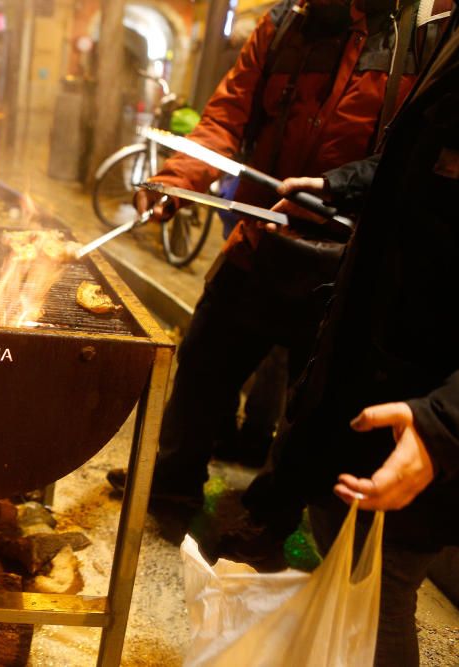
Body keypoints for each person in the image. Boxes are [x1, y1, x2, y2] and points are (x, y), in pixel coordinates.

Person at [105, 0, 453, 511]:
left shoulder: (425, 35)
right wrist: (177, 182)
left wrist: (338, 187)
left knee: (311, 408)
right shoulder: (284, 23)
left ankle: (269, 519)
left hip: (346, 263)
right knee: (202, 362)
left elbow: (415, 155)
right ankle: (174, 483)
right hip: (258, 240)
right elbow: (225, 118)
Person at [249, 10, 459, 662]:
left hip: (421, 407)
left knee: (378, 591)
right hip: (378, 377)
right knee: (351, 573)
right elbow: (421, 163)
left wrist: (444, 423)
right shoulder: (449, 37)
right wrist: (339, 184)